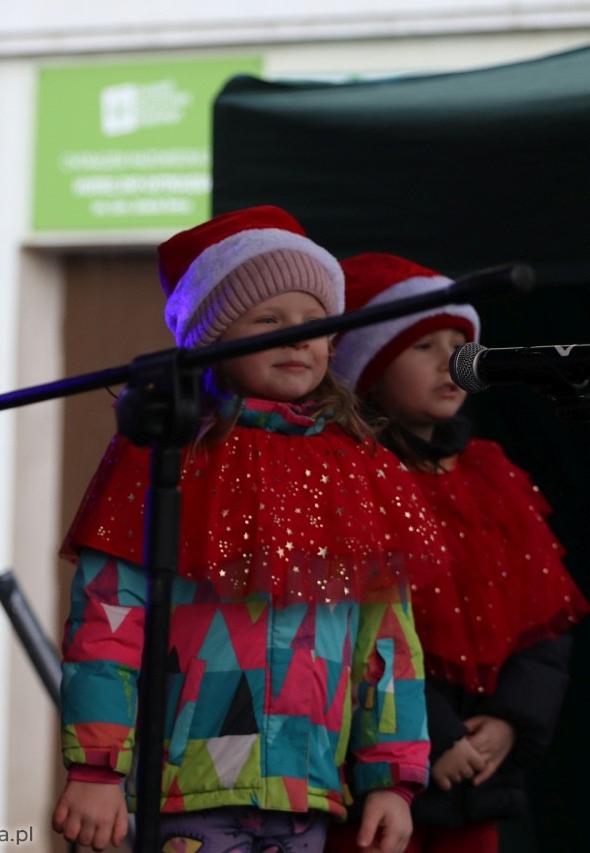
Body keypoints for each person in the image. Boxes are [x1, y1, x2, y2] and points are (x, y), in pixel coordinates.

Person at [52, 206, 443, 853]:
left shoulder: (357, 465)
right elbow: (109, 618)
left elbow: (386, 638)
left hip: (306, 791)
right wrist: (96, 766)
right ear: (211, 337)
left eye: (314, 323)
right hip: (188, 791)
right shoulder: (169, 454)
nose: (298, 338)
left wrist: (393, 777)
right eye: (269, 319)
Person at [325, 252, 588, 853]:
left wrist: (508, 724)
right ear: (368, 366)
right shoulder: (348, 478)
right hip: (376, 775)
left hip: (478, 771)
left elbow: (543, 621)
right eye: (423, 346)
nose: (454, 362)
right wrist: (432, 738)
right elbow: (356, 634)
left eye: (460, 342)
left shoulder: (490, 474)